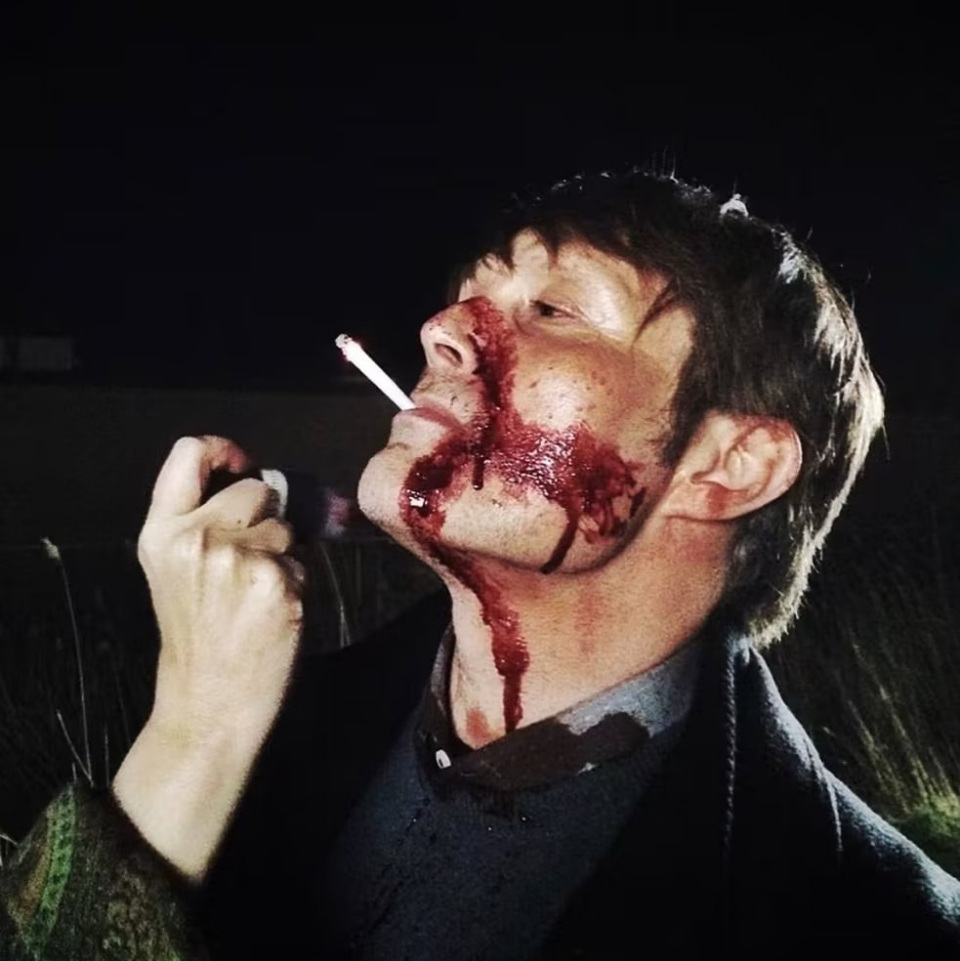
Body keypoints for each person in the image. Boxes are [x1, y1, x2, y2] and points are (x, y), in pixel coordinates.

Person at [2, 170, 959, 958]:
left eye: (552, 308)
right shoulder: (264, 727)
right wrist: (194, 734)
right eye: (470, 291)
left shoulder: (868, 927)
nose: (442, 327)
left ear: (729, 465)